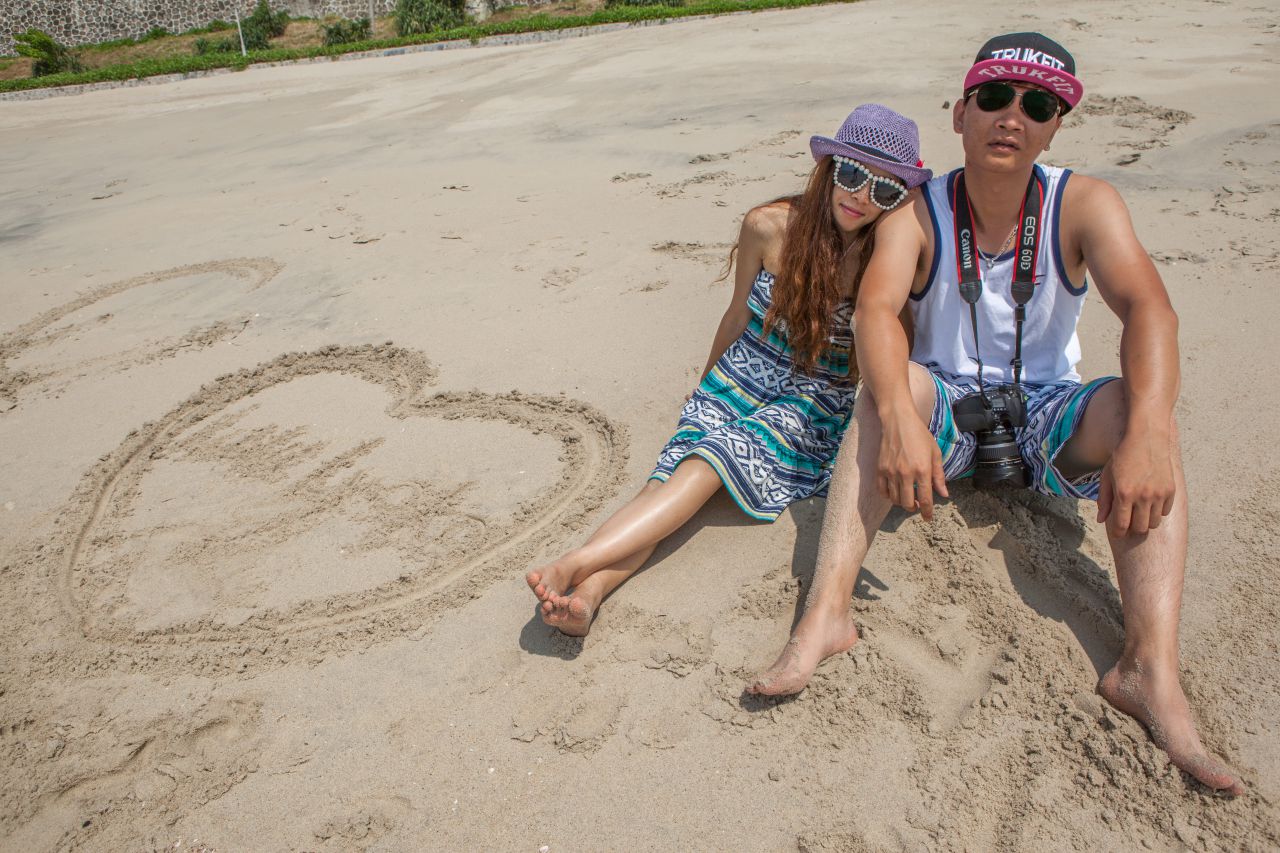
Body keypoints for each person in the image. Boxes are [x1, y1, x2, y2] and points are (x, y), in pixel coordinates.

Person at [748, 33, 1245, 795]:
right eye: (995, 97)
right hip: (946, 404)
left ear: (1054, 126)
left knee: (1138, 409)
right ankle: (826, 617)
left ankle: (1149, 670)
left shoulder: (1084, 202)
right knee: (895, 389)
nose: (1013, 116)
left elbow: (1150, 307)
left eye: (1037, 104)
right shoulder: (918, 208)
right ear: (960, 112)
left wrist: (1150, 427)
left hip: (1046, 411)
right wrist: (900, 414)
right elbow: (879, 310)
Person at [526, 105, 932, 637]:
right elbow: (738, 313)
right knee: (673, 472)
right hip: (743, 374)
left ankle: (576, 563)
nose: (859, 196)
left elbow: (895, 342)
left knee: (708, 460)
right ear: (829, 167)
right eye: (852, 175)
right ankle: (589, 595)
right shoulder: (768, 225)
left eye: (882, 190)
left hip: (813, 398)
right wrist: (707, 390)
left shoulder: (885, 257)